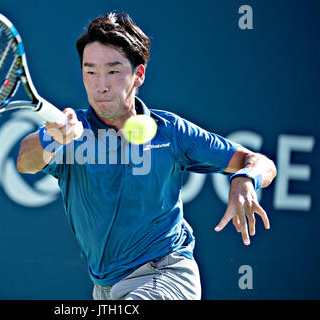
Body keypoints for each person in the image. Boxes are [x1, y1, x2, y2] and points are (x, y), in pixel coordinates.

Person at [16, 12, 277, 300]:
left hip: (166, 274)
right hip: (104, 288)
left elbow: (261, 163)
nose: (101, 85)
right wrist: (50, 137)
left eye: (113, 71)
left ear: (138, 74)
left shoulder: (171, 132)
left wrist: (245, 178)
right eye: (90, 72)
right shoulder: (70, 132)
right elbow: (25, 162)